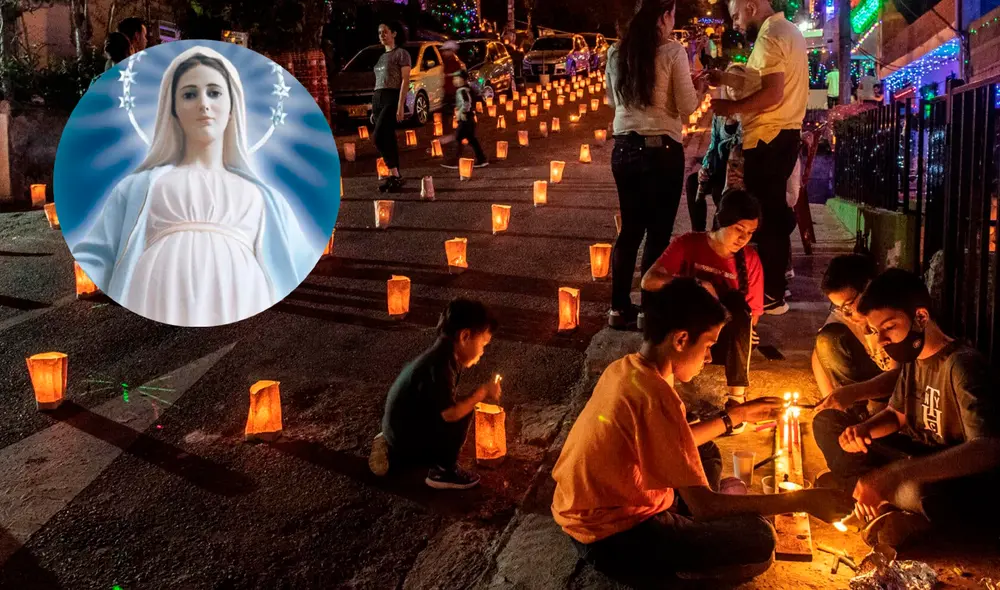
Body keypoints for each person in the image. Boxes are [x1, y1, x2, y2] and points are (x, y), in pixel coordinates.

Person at [551, 279, 853, 585]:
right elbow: (706, 507)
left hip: (596, 510)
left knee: (706, 448)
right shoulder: (655, 396)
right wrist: (802, 500)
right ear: (681, 339)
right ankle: (678, 574)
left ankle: (695, 524)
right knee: (760, 538)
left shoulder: (628, 368)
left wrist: (736, 415)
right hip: (613, 535)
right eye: (708, 345)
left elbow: (675, 440)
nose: (709, 358)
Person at [71, 46, 310, 327]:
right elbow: (96, 251)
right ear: (172, 109)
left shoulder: (265, 197)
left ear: (233, 106)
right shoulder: (138, 186)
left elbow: (297, 259)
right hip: (154, 297)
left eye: (214, 92)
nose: (203, 104)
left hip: (243, 298)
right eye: (189, 94)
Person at [812, 269, 1000, 548]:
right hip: (912, 454)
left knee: (917, 490)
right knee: (827, 423)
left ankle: (868, 493)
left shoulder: (961, 365)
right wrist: (864, 430)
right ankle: (883, 504)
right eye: (877, 331)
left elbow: (987, 449)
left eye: (890, 327)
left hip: (949, 472)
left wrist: (897, 473)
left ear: (920, 317)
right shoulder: (912, 358)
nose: (883, 340)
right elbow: (897, 415)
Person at [604, 0, 704, 331]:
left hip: (624, 149)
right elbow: (687, 106)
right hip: (661, 151)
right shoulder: (673, 52)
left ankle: (618, 309)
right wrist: (699, 84)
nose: (674, 21)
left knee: (630, 230)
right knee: (658, 233)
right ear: (664, 16)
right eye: (673, 15)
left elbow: (611, 100)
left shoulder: (616, 53)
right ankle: (648, 310)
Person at [710, 0, 808, 316]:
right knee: (772, 214)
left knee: (765, 219)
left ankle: (770, 294)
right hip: (783, 133)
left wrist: (729, 108)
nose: (736, 24)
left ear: (751, 6)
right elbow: (760, 82)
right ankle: (773, 291)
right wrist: (724, 80)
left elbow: (771, 93)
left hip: (768, 136)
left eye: (737, 15)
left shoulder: (770, 35)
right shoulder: (787, 29)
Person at [642, 189, 763, 417]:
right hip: (686, 333)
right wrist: (696, 284)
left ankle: (736, 400)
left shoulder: (750, 260)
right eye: (738, 229)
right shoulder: (689, 244)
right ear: (721, 219)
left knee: (738, 306)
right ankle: (663, 395)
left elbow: (752, 313)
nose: (743, 239)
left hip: (721, 340)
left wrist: (744, 327)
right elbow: (649, 280)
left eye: (750, 233)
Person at [369, 299, 501, 490]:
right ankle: (442, 470)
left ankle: (393, 444)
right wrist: (482, 393)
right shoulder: (440, 366)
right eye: (483, 344)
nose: (482, 352)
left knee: (462, 403)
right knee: (463, 411)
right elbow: (450, 414)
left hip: (399, 426)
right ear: (465, 336)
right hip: (404, 439)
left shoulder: (443, 354)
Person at [813, 254, 896, 417]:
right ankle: (854, 415)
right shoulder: (843, 317)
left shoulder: (892, 316)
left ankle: (870, 420)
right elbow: (818, 356)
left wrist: (852, 393)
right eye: (839, 307)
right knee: (828, 339)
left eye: (848, 305)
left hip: (896, 396)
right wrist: (831, 404)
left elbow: (897, 377)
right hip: (865, 389)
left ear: (868, 287)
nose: (846, 314)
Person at [687, 63, 754, 231]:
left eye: (737, 84)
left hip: (737, 171)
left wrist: (737, 117)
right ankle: (698, 232)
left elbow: (740, 145)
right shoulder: (721, 115)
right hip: (718, 167)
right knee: (692, 182)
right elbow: (713, 144)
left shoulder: (749, 114)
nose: (733, 89)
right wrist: (705, 167)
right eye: (729, 85)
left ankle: (718, 232)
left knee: (720, 191)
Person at [373, 21, 411, 194]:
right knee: (388, 138)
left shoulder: (401, 54)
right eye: (380, 32)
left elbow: (405, 80)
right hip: (378, 98)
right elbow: (378, 81)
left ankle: (393, 172)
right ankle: (395, 176)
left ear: (394, 33)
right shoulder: (381, 57)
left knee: (378, 137)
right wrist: (372, 106)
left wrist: (400, 105)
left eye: (385, 32)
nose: (382, 35)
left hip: (391, 97)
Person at [442, 69, 488, 169]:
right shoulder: (467, 89)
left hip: (465, 119)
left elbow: (467, 102)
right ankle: (482, 159)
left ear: (463, 80)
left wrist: (462, 112)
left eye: (456, 78)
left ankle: (454, 161)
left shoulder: (462, 90)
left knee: (458, 138)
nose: (454, 80)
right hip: (469, 119)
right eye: (454, 78)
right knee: (471, 139)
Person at [439, 41, 466, 108]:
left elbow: (458, 78)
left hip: (453, 93)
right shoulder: (446, 62)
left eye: (446, 51)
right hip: (448, 92)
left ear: (451, 51)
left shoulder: (454, 63)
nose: (443, 53)